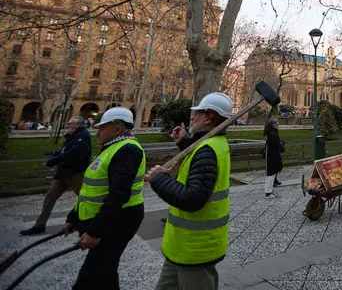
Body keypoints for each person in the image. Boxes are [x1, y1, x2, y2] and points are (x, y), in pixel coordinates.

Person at [146, 92, 232, 290]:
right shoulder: (207, 145)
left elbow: (192, 199)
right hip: (181, 247)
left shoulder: (208, 150)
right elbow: (199, 166)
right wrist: (184, 142)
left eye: (198, 113)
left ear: (210, 117)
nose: (192, 117)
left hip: (196, 250)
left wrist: (159, 179)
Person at [64, 107, 145, 290]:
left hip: (118, 222)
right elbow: (92, 190)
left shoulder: (127, 150)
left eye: (102, 128)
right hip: (109, 220)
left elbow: (118, 195)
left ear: (117, 129)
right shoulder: (113, 147)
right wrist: (74, 217)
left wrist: (95, 231)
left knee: (91, 276)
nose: (97, 132)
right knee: (104, 272)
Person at [21, 116, 92, 235]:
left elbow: (73, 153)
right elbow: (65, 151)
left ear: (77, 125)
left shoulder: (83, 136)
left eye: (70, 123)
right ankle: (40, 225)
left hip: (75, 174)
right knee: (50, 197)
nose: (68, 125)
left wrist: (52, 162)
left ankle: (88, 223)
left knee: (84, 198)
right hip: (63, 173)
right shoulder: (73, 136)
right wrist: (55, 154)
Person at [263, 118, 284, 198]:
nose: (277, 125)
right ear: (272, 125)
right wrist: (281, 145)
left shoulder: (270, 133)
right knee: (272, 174)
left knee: (270, 174)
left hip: (271, 155)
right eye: (276, 124)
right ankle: (268, 193)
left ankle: (267, 190)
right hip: (273, 156)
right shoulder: (273, 134)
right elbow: (277, 144)